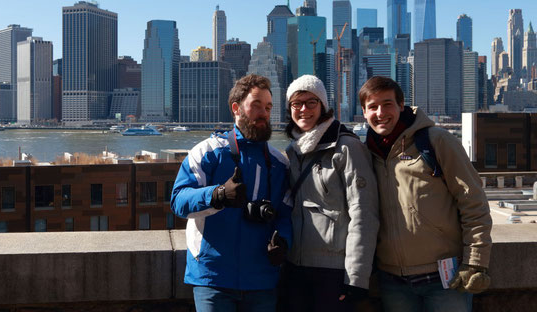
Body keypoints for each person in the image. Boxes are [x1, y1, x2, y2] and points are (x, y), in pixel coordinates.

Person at [359, 76, 492, 312]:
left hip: (445, 280)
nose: (380, 112)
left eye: (387, 104)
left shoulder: (435, 140)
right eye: (372, 107)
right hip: (392, 281)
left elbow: (473, 200)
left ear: (402, 105)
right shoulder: (366, 153)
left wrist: (475, 262)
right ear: (364, 111)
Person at [171, 74, 292, 312]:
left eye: (268, 107)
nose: (264, 113)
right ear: (236, 109)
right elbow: (178, 200)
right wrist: (216, 195)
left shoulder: (279, 163)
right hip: (213, 279)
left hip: (263, 279)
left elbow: (286, 213)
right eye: (256, 105)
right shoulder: (207, 152)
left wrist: (284, 240)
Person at [280, 75, 379, 312]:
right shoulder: (292, 151)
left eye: (311, 102)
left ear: (323, 105)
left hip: (334, 271)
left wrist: (356, 278)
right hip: (295, 268)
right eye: (296, 103)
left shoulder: (346, 147)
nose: (304, 109)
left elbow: (363, 215)